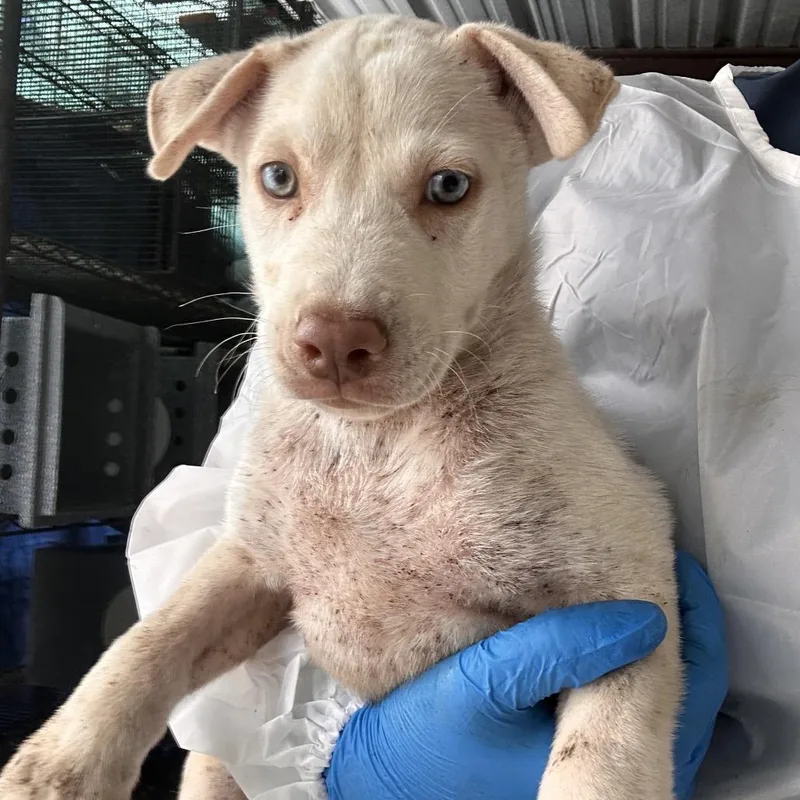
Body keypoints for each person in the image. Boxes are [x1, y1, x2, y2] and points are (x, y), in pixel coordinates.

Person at [129, 61, 800, 799]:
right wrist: (340, 757)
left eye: (445, 188)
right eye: (281, 181)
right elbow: (253, 525)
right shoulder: (577, 140)